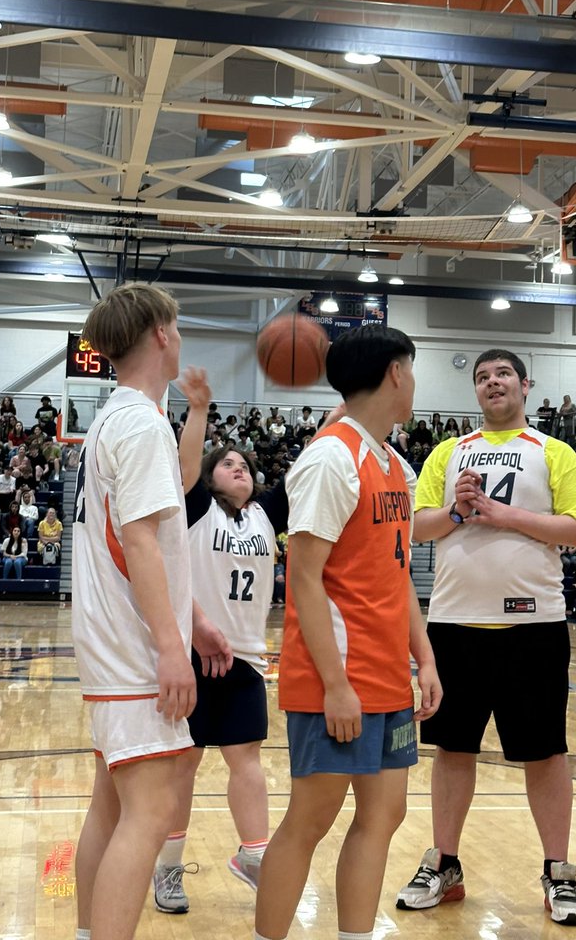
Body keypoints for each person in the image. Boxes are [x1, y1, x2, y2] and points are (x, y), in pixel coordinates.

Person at [254, 326, 442, 940]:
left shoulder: (394, 464)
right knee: (309, 822)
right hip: (337, 682)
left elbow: (396, 572)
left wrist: (426, 659)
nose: (414, 382)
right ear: (395, 373)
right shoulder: (332, 458)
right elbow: (303, 580)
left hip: (388, 679)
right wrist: (335, 685)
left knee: (385, 814)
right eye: (411, 370)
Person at [396, 348, 576, 926]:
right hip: (455, 624)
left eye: (502, 374)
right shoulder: (447, 452)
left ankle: (558, 870)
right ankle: (445, 865)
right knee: (452, 748)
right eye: (482, 378)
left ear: (525, 385)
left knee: (544, 753)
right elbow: (414, 526)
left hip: (534, 626)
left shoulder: (554, 453)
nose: (492, 383)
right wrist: (459, 512)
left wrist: (500, 513)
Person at [70, 282, 232, 940]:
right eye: (179, 326)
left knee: (110, 808)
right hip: (134, 648)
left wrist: (195, 624)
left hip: (113, 643)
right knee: (148, 810)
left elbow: (172, 499)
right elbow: (138, 542)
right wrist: (172, 647)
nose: (182, 336)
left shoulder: (123, 417)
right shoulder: (136, 423)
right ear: (162, 334)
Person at [152, 366, 287, 914]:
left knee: (247, 758)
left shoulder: (264, 514)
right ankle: (168, 868)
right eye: (228, 464)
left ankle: (254, 855)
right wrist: (201, 410)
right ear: (211, 478)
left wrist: (344, 415)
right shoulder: (198, 508)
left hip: (248, 660)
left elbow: (310, 471)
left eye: (245, 465)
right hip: (193, 654)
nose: (240, 469)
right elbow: (187, 468)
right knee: (184, 763)